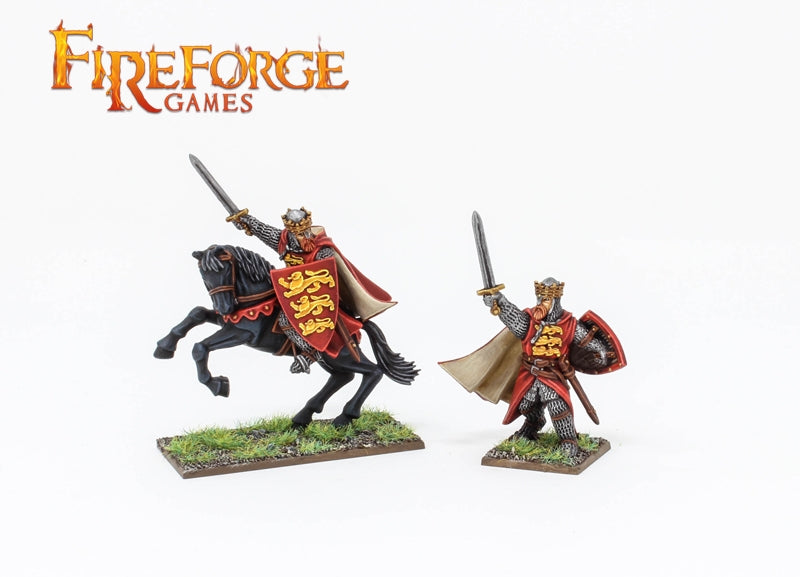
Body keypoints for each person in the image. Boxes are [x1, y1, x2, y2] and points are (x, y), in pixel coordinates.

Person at [441, 277, 625, 458]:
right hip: (530, 373)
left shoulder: (570, 324)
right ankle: (533, 425)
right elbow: (513, 318)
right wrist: (499, 300)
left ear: (555, 300)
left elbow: (591, 344)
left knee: (558, 406)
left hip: (552, 374)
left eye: (546, 300)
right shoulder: (529, 321)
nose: (541, 303)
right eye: (539, 298)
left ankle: (568, 440)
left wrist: (599, 354)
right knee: (526, 404)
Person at [231, 207, 395, 373]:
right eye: (298, 233)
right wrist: (245, 220)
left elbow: (327, 279)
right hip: (293, 292)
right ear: (291, 231)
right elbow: (261, 229)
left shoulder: (323, 250)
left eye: (305, 231)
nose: (303, 236)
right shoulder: (283, 241)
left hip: (319, 299)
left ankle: (310, 353)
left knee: (286, 320)